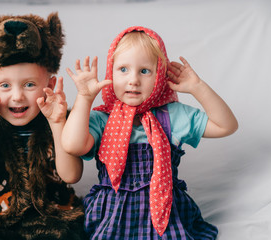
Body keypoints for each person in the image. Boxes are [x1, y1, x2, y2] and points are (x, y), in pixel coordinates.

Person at [61, 26, 238, 239]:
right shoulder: (102, 119)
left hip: (165, 215)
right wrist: (84, 98)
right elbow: (72, 145)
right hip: (111, 214)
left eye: (144, 71)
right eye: (123, 69)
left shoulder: (171, 115)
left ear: (159, 77)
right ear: (111, 71)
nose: (133, 80)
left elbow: (226, 126)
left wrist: (197, 87)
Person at [0, 13, 85, 240]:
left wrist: (58, 123)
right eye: (5, 85)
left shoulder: (60, 121)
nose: (17, 97)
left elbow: (72, 175)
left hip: (52, 218)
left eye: (29, 84)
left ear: (50, 84)